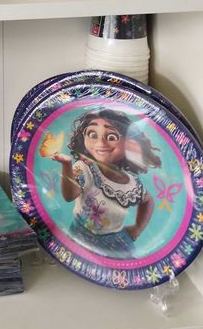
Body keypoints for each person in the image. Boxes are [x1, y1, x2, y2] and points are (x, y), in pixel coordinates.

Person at [50, 107, 161, 258]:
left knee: (124, 269)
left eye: (111, 136)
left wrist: (137, 229)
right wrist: (67, 165)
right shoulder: (85, 168)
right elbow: (70, 195)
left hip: (116, 241)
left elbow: (148, 201)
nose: (100, 142)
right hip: (82, 237)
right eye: (92, 134)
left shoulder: (131, 182)